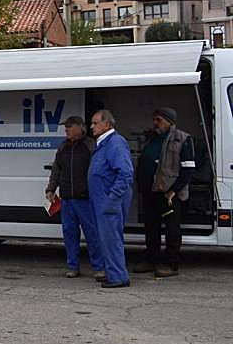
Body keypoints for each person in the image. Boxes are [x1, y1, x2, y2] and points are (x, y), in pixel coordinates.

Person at [132, 106, 195, 278]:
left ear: (170, 121)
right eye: (154, 119)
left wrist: (174, 190)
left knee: (172, 231)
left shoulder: (182, 139)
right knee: (151, 228)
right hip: (150, 191)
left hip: (169, 194)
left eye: (159, 120)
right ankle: (151, 260)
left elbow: (188, 169)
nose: (155, 123)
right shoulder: (152, 139)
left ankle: (171, 264)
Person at [46, 115, 105, 279]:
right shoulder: (63, 147)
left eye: (70, 126)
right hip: (67, 199)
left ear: (81, 127)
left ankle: (98, 267)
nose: (66, 130)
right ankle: (72, 266)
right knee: (69, 233)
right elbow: (56, 170)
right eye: (66, 127)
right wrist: (51, 188)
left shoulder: (91, 146)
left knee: (92, 233)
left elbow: (98, 171)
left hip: (85, 198)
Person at [87, 109, 133, 289]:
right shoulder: (104, 144)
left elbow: (125, 173)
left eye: (95, 123)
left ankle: (118, 276)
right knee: (105, 239)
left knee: (111, 239)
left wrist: (112, 197)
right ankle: (112, 273)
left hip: (109, 201)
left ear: (107, 124)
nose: (92, 126)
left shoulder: (115, 143)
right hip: (102, 200)